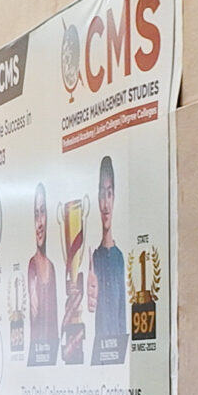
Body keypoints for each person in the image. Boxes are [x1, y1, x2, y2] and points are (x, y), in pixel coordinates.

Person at [86, 155, 129, 365]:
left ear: (114, 197)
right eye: (102, 194)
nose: (105, 203)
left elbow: (122, 314)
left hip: (118, 356)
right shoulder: (94, 258)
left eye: (109, 194)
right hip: (99, 356)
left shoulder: (120, 258)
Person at [26, 184, 60, 366]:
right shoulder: (32, 266)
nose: (39, 223)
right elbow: (34, 316)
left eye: (43, 212)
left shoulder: (52, 268)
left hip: (52, 359)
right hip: (37, 359)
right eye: (36, 214)